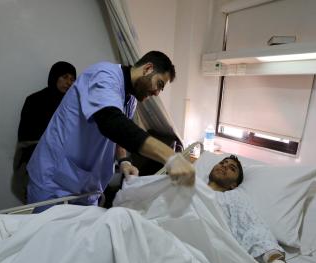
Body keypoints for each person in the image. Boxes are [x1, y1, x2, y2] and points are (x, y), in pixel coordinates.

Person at [26, 51, 194, 210]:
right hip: (55, 181)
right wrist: (169, 156)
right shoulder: (104, 75)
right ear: (148, 68)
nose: (157, 93)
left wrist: (124, 161)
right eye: (159, 84)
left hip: (86, 187)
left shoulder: (130, 99)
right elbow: (111, 122)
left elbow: (117, 135)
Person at [12, 61, 77, 202]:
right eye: (65, 77)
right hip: (38, 164)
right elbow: (25, 136)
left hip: (65, 169)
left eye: (72, 79)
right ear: (55, 77)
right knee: (41, 207)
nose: (69, 82)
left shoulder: (72, 105)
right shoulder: (34, 100)